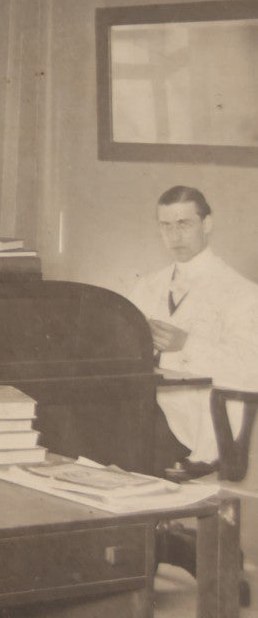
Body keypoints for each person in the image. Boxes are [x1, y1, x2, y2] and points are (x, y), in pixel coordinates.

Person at [126, 185, 258, 473]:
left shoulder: (242, 293)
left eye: (184, 224)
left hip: (198, 425)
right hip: (145, 409)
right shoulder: (147, 286)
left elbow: (251, 367)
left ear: (206, 224)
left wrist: (185, 345)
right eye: (166, 226)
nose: (175, 236)